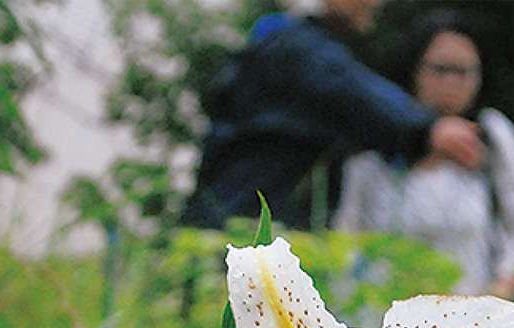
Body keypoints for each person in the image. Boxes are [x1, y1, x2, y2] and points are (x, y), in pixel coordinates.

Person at [181, 0, 484, 231]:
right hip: (234, 231)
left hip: (240, 224)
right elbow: (351, 89)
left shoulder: (292, 45)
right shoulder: (298, 48)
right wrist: (428, 128)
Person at [333, 9, 514, 305]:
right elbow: (346, 243)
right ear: (414, 69)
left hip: (473, 322)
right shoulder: (377, 143)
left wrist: (498, 296)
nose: (453, 83)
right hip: (387, 320)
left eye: (465, 72)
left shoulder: (490, 135)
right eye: (441, 70)